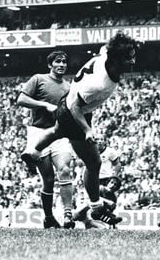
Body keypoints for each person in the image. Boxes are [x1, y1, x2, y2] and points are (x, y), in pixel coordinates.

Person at [21, 32, 141, 226]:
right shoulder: (99, 84)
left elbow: (107, 47)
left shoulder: (105, 56)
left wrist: (130, 44)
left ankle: (34, 152)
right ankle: (95, 208)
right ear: (117, 59)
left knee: (57, 132)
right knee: (93, 163)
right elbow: (76, 107)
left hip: (65, 104)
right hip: (73, 112)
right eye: (129, 58)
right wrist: (86, 130)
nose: (133, 61)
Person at [17, 50, 75, 229]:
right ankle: (49, 217)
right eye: (58, 62)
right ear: (50, 65)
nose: (62, 65)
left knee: (64, 170)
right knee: (48, 180)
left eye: (64, 62)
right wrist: (44, 104)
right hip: (38, 132)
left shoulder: (68, 86)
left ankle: (67, 215)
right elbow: (21, 99)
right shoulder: (38, 79)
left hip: (59, 133)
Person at [73, 135, 123, 229]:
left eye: (101, 139)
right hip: (93, 179)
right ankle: (95, 219)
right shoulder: (89, 150)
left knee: (108, 203)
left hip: (106, 180)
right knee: (94, 202)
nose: (99, 141)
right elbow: (78, 162)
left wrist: (114, 176)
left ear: (105, 141)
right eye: (97, 139)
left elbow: (117, 164)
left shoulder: (110, 151)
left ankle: (112, 224)